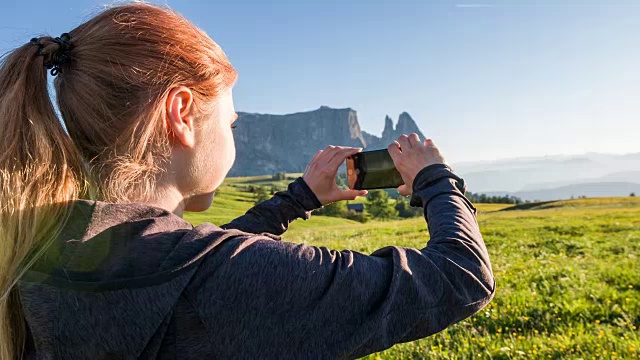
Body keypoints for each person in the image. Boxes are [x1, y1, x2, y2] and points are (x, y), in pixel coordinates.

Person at [0, 3, 495, 359]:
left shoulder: (37, 252)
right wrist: (435, 179)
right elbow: (460, 278)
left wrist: (298, 199)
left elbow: (191, 261)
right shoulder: (224, 280)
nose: (234, 136)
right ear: (181, 114)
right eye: (231, 123)